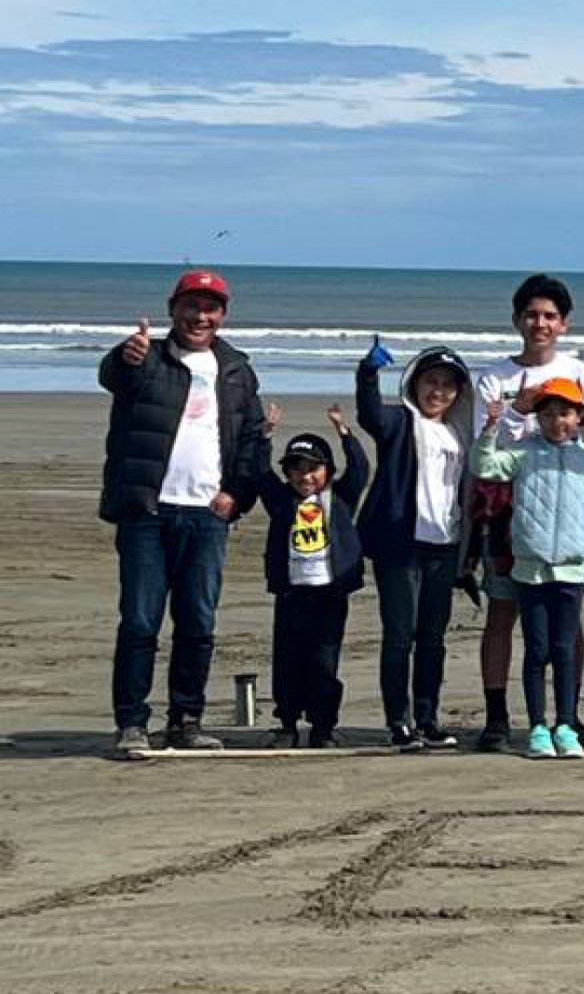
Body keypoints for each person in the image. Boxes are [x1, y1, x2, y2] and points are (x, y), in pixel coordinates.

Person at [101, 268, 267, 758]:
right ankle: (132, 723)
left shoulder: (236, 369)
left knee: (197, 622)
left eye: (210, 307)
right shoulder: (146, 357)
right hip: (147, 511)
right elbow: (113, 376)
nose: (200, 315)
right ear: (174, 308)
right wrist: (123, 356)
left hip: (207, 515)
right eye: (191, 305)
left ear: (222, 315)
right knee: (139, 621)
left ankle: (186, 720)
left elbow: (252, 440)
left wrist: (236, 494)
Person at [467, 274, 584, 753]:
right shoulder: (494, 376)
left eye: (549, 316)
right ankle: (499, 714)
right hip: (506, 510)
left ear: (563, 323)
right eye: (531, 315)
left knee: (569, 618)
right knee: (503, 612)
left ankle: (569, 713)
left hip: (568, 512)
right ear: (516, 320)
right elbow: (488, 449)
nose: (539, 324)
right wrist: (518, 411)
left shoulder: (583, 375)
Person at [356, 339, 474, 751]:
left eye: (447, 385)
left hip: (444, 546)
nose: (437, 391)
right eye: (430, 382)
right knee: (399, 635)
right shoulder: (400, 421)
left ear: (459, 393)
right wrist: (368, 373)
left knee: (433, 638)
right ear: (414, 384)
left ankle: (428, 718)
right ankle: (398, 721)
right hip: (401, 546)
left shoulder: (459, 434)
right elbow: (370, 414)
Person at [254, 415, 369, 749]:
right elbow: (260, 474)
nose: (306, 476)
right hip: (292, 593)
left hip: (330, 593)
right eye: (297, 469)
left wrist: (344, 432)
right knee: (288, 659)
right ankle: (287, 724)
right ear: (288, 473)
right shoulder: (281, 501)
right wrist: (266, 435)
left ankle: (322, 726)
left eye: (313, 469)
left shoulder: (340, 497)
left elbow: (360, 468)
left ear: (327, 472)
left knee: (324, 660)